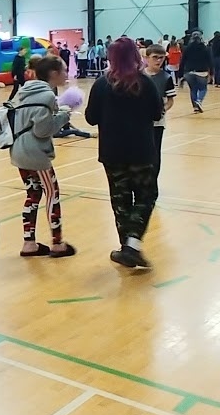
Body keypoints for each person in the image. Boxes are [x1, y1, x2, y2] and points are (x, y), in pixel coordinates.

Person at [84, 38, 163, 270]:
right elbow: (157, 113)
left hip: (112, 152)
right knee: (146, 196)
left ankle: (126, 246)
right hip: (141, 151)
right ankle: (132, 245)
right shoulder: (145, 83)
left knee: (120, 199)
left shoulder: (101, 84)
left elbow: (91, 118)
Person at [10, 55, 77, 258]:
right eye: (64, 70)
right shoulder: (46, 95)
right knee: (52, 194)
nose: (67, 74)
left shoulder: (26, 90)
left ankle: (29, 243)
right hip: (35, 153)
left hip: (19, 150)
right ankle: (57, 243)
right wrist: (65, 115)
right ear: (54, 74)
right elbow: (43, 130)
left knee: (32, 195)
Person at [143, 44, 176, 175]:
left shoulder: (166, 77)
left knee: (155, 151)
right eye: (155, 57)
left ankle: (153, 179)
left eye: (161, 58)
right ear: (146, 58)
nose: (158, 61)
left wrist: (162, 110)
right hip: (139, 121)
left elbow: (170, 101)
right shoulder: (139, 75)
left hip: (157, 122)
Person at [179, 31, 211, 113]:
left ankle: (195, 107)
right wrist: (212, 72)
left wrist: (180, 74)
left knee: (193, 89)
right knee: (203, 88)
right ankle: (199, 101)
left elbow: (182, 61)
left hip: (189, 71)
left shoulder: (187, 48)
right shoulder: (205, 48)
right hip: (201, 71)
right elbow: (210, 61)